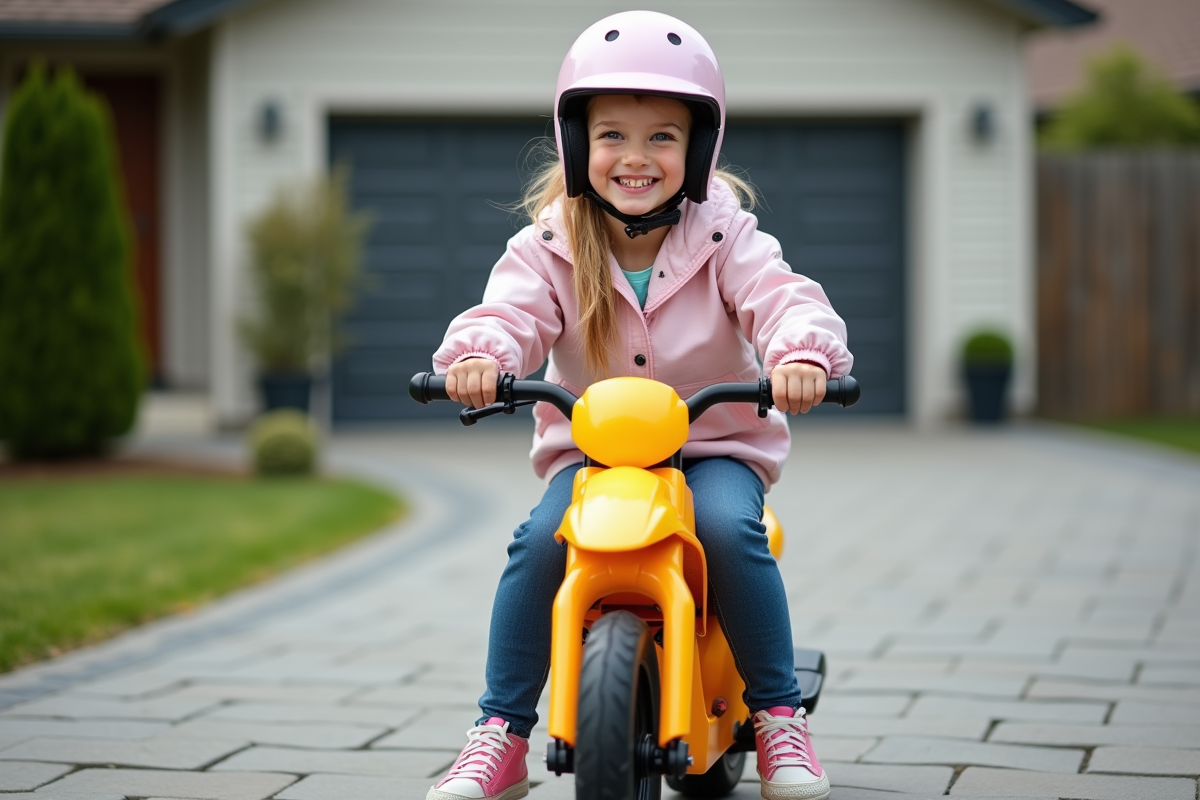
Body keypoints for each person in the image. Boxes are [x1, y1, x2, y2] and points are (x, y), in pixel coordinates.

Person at [426, 11, 851, 800]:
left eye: (662, 136)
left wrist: (800, 354)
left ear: (698, 149)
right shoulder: (550, 245)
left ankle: (778, 716)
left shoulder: (727, 236)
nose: (635, 156)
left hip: (715, 449)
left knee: (728, 531)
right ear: (575, 142)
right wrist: (482, 357)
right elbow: (510, 314)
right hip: (597, 458)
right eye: (612, 134)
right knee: (538, 544)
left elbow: (781, 297)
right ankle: (501, 733)